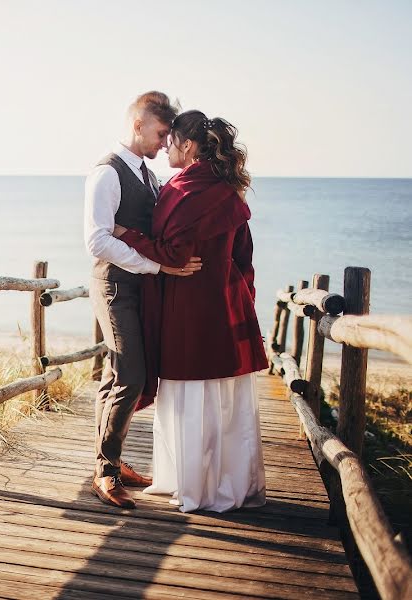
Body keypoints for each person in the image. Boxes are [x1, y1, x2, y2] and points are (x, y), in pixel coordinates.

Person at [112, 109, 269, 513]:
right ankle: (227, 483)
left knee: (193, 394)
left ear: (188, 144)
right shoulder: (226, 187)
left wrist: (128, 235)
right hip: (225, 303)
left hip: (191, 308)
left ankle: (195, 486)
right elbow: (244, 256)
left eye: (171, 139)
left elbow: (176, 254)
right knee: (224, 399)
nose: (165, 147)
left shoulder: (186, 190)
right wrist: (243, 303)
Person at [84, 91, 202, 509]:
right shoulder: (106, 173)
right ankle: (107, 471)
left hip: (139, 289)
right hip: (116, 286)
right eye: (160, 132)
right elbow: (97, 241)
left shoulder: (149, 176)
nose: (164, 142)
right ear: (138, 125)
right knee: (130, 376)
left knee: (117, 377)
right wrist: (158, 268)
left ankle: (109, 459)